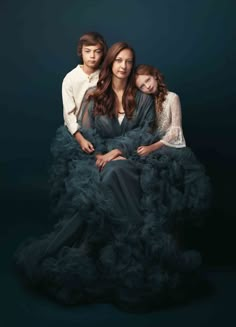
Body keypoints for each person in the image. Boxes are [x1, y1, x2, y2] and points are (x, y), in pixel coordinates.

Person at [15, 44, 207, 312]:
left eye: (129, 62)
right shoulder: (95, 96)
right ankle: (105, 246)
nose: (123, 66)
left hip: (133, 159)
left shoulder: (140, 96)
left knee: (117, 170)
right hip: (99, 159)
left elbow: (145, 131)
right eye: (118, 60)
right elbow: (86, 135)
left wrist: (119, 151)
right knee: (103, 176)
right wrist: (101, 155)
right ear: (110, 63)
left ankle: (106, 246)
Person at [135, 63, 211, 235]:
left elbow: (175, 130)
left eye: (147, 80)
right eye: (142, 86)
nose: (147, 86)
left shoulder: (172, 97)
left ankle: (179, 231)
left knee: (178, 180)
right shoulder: (146, 102)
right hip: (152, 147)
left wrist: (152, 147)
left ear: (154, 75)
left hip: (170, 147)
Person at [62, 31, 107, 153]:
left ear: (102, 54)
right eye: (88, 51)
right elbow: (68, 114)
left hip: (103, 131)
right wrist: (80, 139)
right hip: (78, 133)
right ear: (81, 52)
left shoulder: (105, 76)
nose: (92, 56)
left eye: (97, 52)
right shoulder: (70, 78)